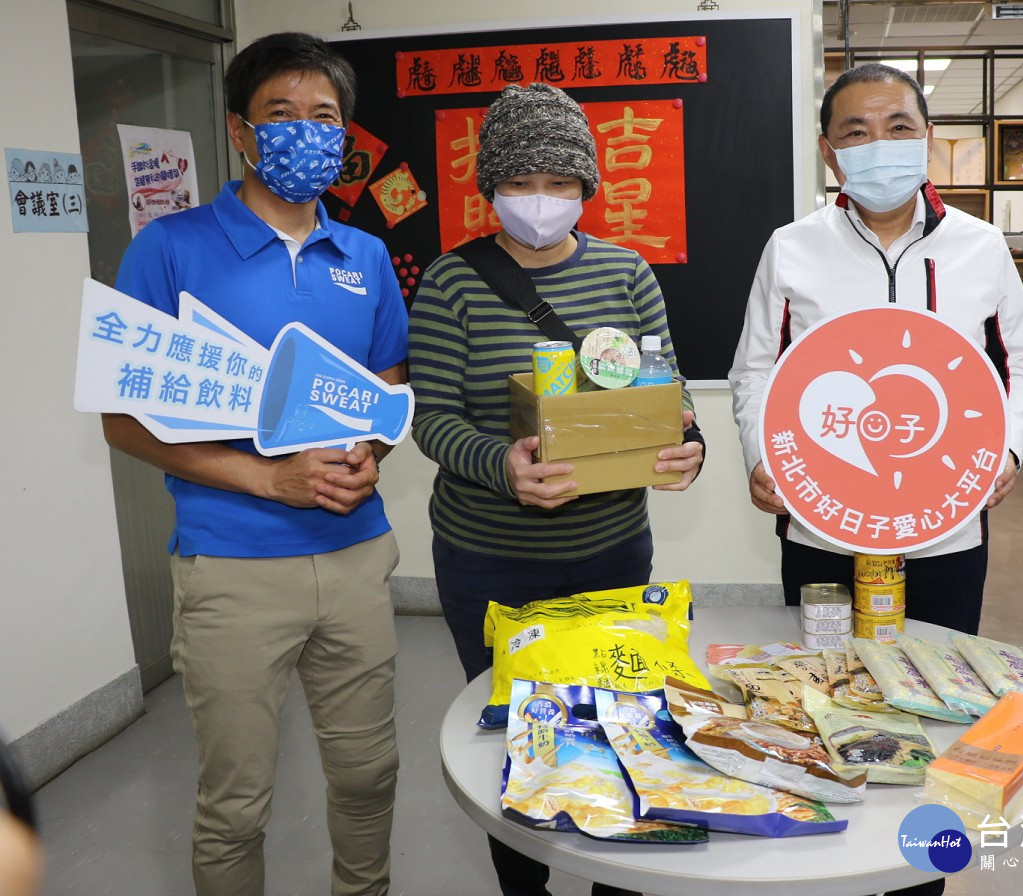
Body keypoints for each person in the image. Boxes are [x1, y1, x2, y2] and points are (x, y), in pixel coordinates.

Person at [103, 32, 408, 896]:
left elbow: (385, 395)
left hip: (355, 557)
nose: (304, 132)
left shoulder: (367, 258)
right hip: (231, 568)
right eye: (282, 114)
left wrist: (368, 456)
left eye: (324, 116)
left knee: (367, 775)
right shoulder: (171, 249)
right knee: (236, 802)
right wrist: (268, 479)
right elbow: (124, 422)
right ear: (241, 130)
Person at [729, 63, 1023, 893]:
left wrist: (1005, 451)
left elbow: (1022, 361)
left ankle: (919, 873)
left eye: (898, 127)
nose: (879, 147)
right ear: (830, 153)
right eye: (856, 132)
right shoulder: (792, 248)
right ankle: (827, 859)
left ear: (928, 137)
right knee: (824, 699)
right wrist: (763, 455)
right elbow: (757, 368)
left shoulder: (979, 245)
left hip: (945, 528)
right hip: (822, 524)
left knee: (937, 699)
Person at [407, 82, 704, 896]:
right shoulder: (452, 281)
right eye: (521, 182)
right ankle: (525, 885)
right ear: (490, 187)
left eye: (561, 183)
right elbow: (429, 416)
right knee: (520, 735)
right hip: (489, 560)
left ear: (588, 188)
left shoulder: (626, 271)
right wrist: (501, 464)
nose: (541, 201)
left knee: (622, 726)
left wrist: (691, 443)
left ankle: (619, 879)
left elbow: (664, 390)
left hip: (610, 551)